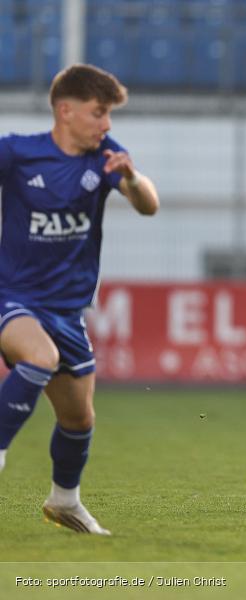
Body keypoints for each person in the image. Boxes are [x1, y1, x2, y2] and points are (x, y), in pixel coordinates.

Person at [0, 64, 159, 534]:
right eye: (98, 113)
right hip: (13, 297)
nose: (106, 124)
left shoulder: (105, 158)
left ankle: (64, 502)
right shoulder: (18, 153)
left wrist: (130, 177)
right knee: (39, 357)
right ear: (65, 111)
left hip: (67, 310)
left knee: (78, 417)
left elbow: (149, 204)